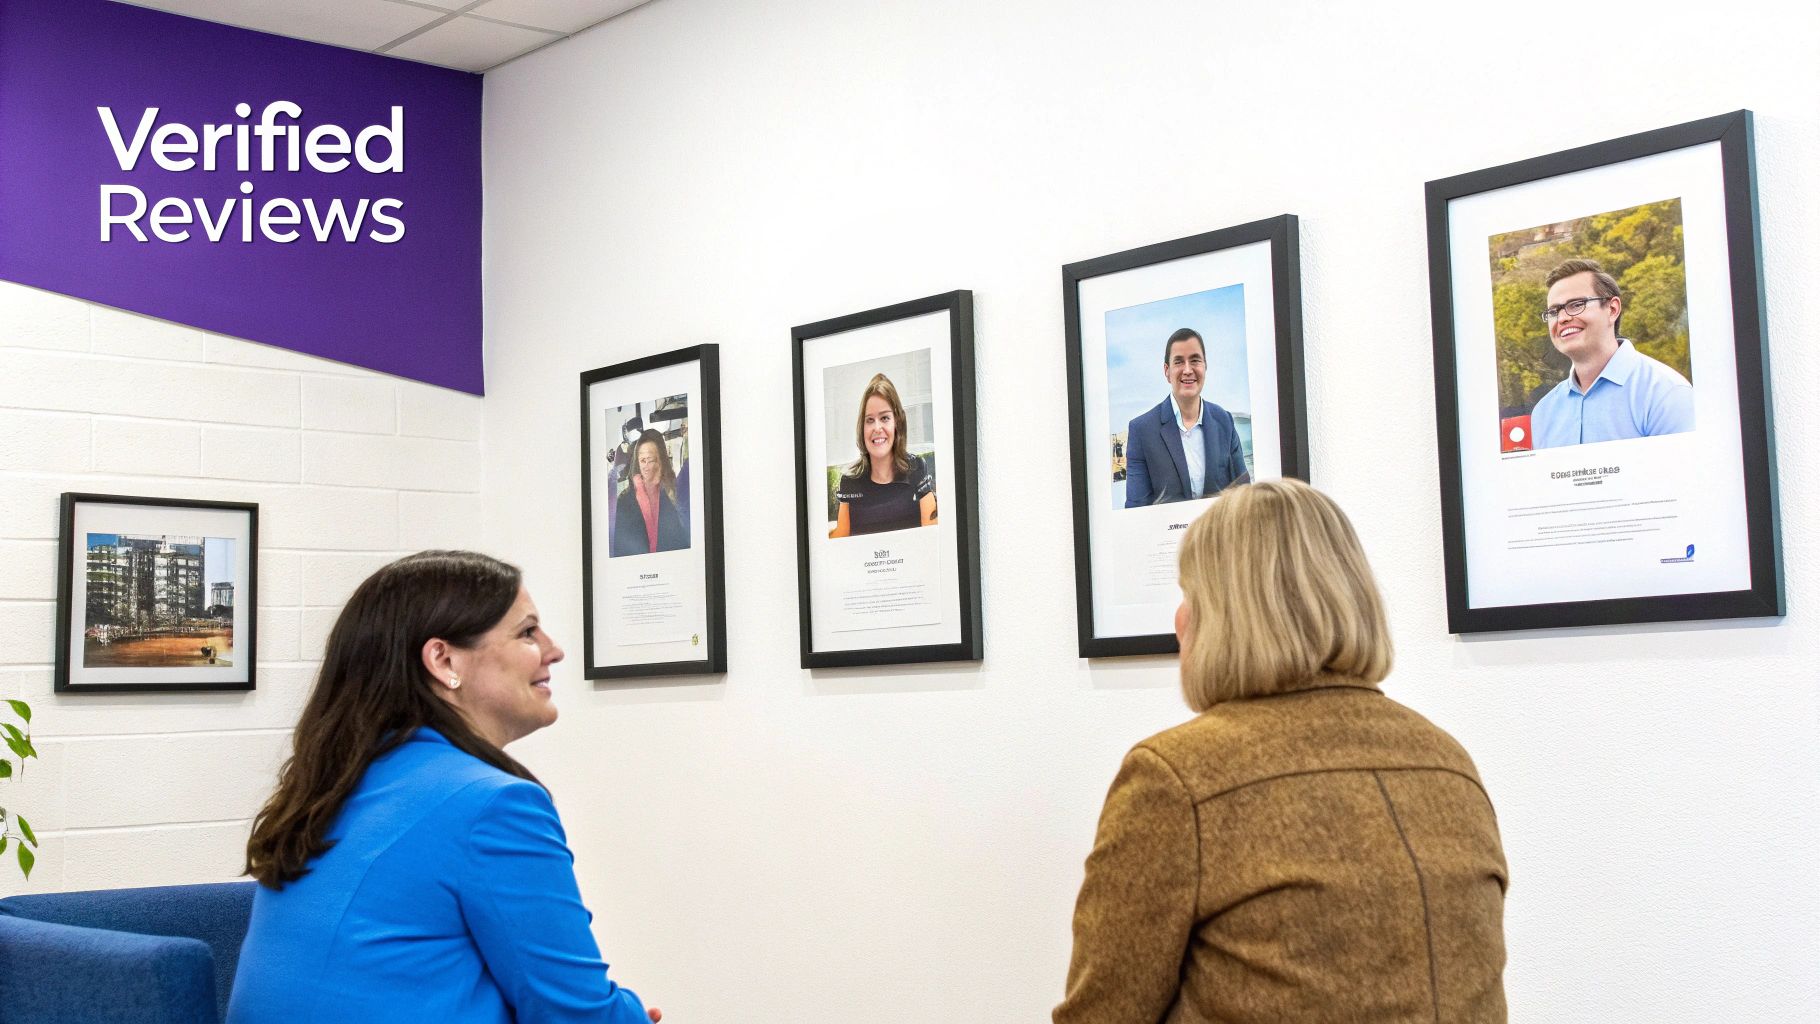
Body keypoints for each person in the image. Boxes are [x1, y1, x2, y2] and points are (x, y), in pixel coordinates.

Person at [1055, 480, 1508, 1023]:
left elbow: (1102, 1016)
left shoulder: (1176, 779)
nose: (1180, 619)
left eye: (1190, 595)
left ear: (1224, 613)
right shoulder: (1446, 762)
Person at [230, 551, 659, 1024]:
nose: (553, 650)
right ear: (443, 659)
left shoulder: (343, 781)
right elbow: (579, 1016)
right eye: (527, 632)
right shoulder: (495, 805)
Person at [1529, 258, 1694, 448]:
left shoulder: (1666, 394)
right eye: (1554, 311)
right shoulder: (1544, 412)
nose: (1563, 318)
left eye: (1576, 305)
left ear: (1612, 309)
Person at [1122, 328, 1249, 506]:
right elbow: (1136, 510)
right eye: (1179, 362)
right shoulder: (1141, 430)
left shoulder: (1225, 421)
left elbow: (1244, 496)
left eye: (1195, 360)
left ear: (1205, 366)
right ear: (1167, 371)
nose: (1188, 370)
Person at [828, 372, 936, 537]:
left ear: (897, 423)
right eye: (869, 420)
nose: (877, 428)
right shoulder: (849, 481)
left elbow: (933, 531)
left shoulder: (917, 468)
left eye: (885, 418)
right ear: (861, 427)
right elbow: (841, 534)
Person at [611, 429, 689, 556]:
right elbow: (620, 552)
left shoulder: (674, 495)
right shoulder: (623, 503)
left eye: (651, 460)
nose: (646, 466)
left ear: (661, 461)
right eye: (642, 460)